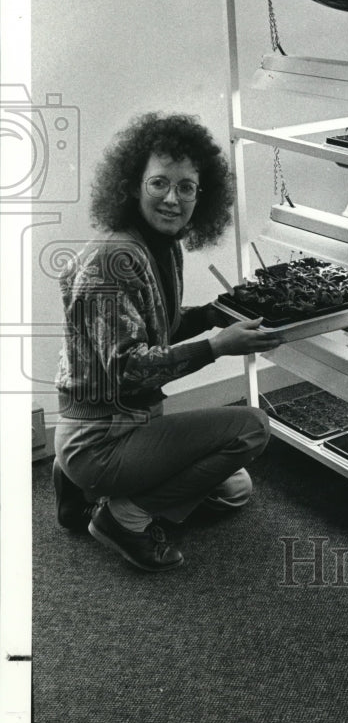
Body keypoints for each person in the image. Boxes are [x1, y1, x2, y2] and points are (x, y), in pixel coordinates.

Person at [53, 112, 282, 572]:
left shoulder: (160, 245)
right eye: (159, 183)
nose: (172, 199)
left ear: (203, 194)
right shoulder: (112, 259)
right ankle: (122, 517)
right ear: (133, 184)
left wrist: (216, 313)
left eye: (186, 187)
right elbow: (129, 367)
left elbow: (156, 328)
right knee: (253, 428)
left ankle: (79, 488)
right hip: (102, 434)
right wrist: (216, 346)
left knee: (235, 490)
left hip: (128, 424)